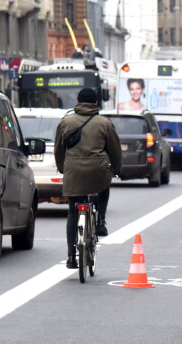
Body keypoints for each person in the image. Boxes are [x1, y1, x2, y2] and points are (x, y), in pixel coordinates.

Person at [54, 87, 122, 269]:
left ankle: (70, 256)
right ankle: (100, 220)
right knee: (105, 184)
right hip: (98, 170)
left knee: (72, 212)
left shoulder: (65, 122)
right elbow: (114, 150)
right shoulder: (104, 123)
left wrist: (63, 168)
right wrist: (116, 169)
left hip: (73, 171)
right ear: (96, 103)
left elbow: (58, 150)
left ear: (77, 101)